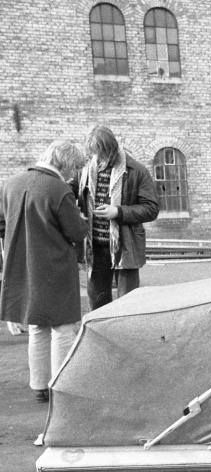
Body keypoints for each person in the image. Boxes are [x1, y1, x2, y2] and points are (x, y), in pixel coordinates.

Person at [0, 140, 88, 403]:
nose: (74, 174)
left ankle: (39, 385)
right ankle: (59, 384)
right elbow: (75, 231)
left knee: (38, 325)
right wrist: (82, 220)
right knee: (62, 326)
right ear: (65, 163)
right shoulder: (59, 189)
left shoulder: (12, 184)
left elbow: (4, 224)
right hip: (55, 265)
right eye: (74, 168)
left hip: (23, 264)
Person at [78, 125, 160, 309]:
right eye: (94, 154)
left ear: (112, 149)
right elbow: (69, 194)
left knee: (128, 303)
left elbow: (152, 208)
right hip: (96, 248)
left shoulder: (136, 170)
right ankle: (101, 336)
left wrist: (118, 212)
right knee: (98, 303)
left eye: (102, 153)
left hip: (125, 246)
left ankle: (127, 336)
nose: (98, 159)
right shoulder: (85, 171)